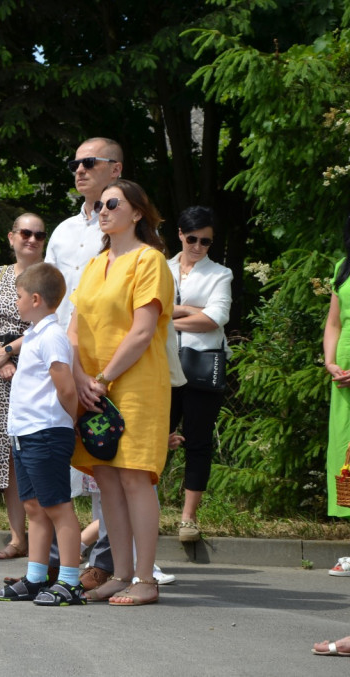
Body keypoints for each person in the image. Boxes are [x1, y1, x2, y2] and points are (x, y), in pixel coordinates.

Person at [69, 179, 173, 606]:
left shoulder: (151, 261)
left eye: (113, 203)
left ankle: (146, 579)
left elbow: (143, 330)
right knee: (105, 477)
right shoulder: (95, 265)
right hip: (93, 387)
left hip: (134, 384)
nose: (103, 209)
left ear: (137, 213)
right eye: (100, 205)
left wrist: (103, 378)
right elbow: (73, 329)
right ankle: (121, 573)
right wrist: (79, 377)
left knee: (134, 476)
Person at [44, 137, 124, 590]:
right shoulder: (63, 231)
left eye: (89, 162)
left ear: (115, 169)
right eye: (74, 163)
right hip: (62, 357)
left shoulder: (127, 222)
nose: (79, 170)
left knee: (106, 460)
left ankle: (107, 562)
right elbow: (51, 301)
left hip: (105, 360)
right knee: (63, 461)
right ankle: (56, 561)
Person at [0, 263, 84, 605]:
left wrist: (69, 423)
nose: (15, 303)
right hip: (25, 432)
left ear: (34, 299)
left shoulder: (53, 337)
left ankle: (71, 582)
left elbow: (67, 388)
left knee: (59, 507)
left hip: (46, 433)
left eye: (17, 297)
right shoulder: (32, 335)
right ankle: (35, 578)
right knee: (34, 507)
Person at [0, 213, 46, 560]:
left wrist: (8, 353)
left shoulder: (49, 275)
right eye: (25, 233)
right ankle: (18, 537)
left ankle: (42, 535)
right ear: (11, 236)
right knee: (4, 452)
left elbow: (48, 322)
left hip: (34, 365)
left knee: (34, 449)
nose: (31, 239)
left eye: (38, 234)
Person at [168, 206, 233, 543]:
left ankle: (188, 518)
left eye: (205, 241)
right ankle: (141, 509)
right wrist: (194, 311)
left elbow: (216, 318)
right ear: (180, 233)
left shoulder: (220, 274)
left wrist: (168, 318)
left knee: (198, 441)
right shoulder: (161, 269)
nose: (197, 246)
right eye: (192, 238)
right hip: (161, 366)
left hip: (203, 365)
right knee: (151, 439)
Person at [323, 213, 350, 573]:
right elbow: (334, 321)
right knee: (345, 457)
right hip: (343, 380)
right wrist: (329, 360)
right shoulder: (343, 266)